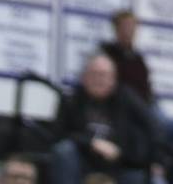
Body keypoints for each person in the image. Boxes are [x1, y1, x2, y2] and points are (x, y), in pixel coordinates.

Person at [50, 53, 155, 184]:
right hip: (83, 162)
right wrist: (91, 143)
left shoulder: (126, 100)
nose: (99, 79)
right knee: (64, 150)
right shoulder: (71, 100)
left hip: (117, 165)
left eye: (104, 75)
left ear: (113, 79)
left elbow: (148, 131)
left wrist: (120, 152)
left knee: (142, 173)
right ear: (84, 77)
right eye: (94, 74)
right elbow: (58, 134)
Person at [101, 10, 154, 107]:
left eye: (132, 27)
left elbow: (147, 87)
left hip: (144, 104)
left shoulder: (138, 58)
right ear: (116, 29)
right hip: (122, 106)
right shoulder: (107, 54)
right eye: (125, 26)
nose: (129, 30)